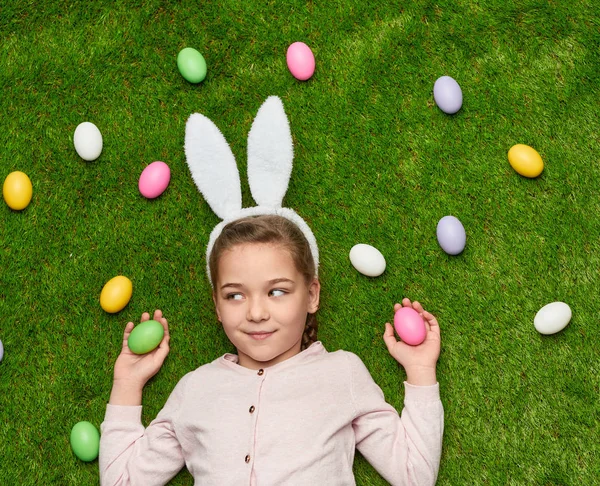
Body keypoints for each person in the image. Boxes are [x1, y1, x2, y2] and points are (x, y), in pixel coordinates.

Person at [99, 214, 444, 486]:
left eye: (277, 291)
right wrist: (127, 384)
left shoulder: (342, 373)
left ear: (311, 295)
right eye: (235, 295)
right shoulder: (195, 388)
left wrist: (421, 371)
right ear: (217, 307)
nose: (256, 312)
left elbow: (414, 474)